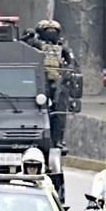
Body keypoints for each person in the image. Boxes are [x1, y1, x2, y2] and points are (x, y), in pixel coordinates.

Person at [23, 19, 74, 147]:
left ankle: (58, 139)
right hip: (39, 81)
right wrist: (27, 36)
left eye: (54, 31)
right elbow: (21, 47)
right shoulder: (35, 43)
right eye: (47, 31)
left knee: (60, 112)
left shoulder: (62, 46)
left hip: (57, 81)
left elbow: (71, 62)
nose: (51, 34)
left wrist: (67, 72)